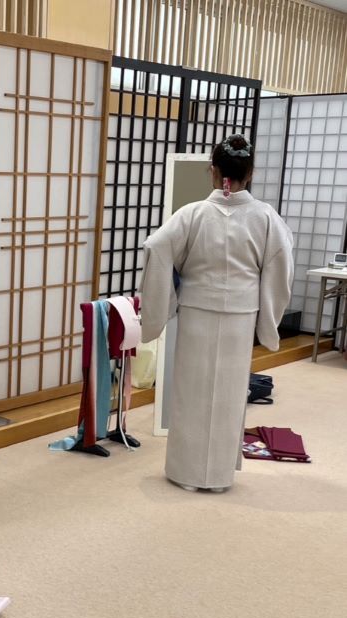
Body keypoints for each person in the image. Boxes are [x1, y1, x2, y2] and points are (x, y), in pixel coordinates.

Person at [139, 134, 294, 493]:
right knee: (227, 392)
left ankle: (185, 473)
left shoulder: (192, 214)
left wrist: (163, 306)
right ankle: (219, 476)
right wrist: (267, 322)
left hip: (197, 313)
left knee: (192, 390)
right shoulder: (266, 218)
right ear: (250, 173)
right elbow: (279, 266)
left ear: (214, 171)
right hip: (240, 316)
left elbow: (157, 247)